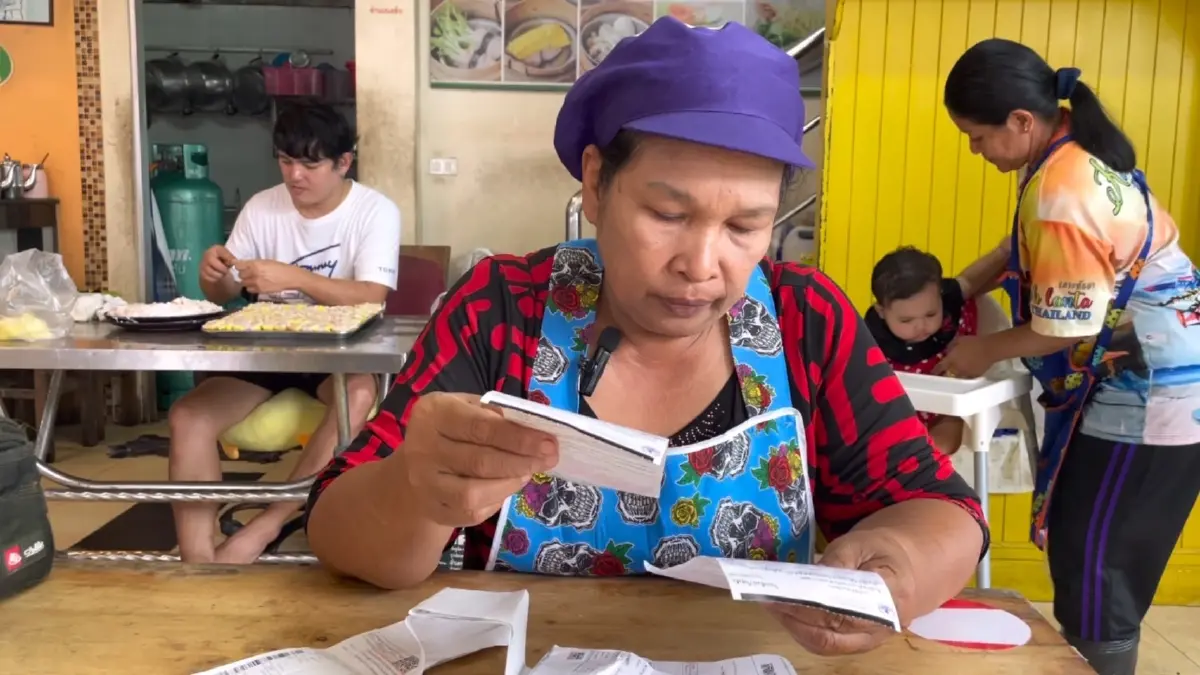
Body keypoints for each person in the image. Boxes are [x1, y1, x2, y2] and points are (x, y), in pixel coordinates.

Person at [306, 18, 988, 657]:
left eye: (745, 226)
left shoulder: (806, 321)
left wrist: (900, 566)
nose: (701, 264)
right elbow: (338, 529)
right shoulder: (501, 309)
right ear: (597, 183)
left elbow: (943, 507)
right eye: (667, 213)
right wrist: (415, 489)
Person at [940, 38, 1200, 675]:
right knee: (1090, 554)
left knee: (1097, 567)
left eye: (977, 137)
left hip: (1156, 396)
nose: (975, 151)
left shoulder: (1062, 191)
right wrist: (957, 289)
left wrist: (979, 349)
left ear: (1020, 121)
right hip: (1158, 377)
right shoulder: (1071, 153)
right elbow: (1020, 249)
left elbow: (1065, 325)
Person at [169, 102, 402, 565]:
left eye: (310, 165)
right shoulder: (262, 207)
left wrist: (294, 278)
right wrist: (213, 275)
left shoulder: (374, 211)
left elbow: (372, 296)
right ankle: (198, 561)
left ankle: (266, 526)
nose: (295, 175)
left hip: (338, 354)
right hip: (268, 349)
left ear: (343, 162)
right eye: (286, 160)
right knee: (187, 416)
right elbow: (223, 291)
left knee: (358, 394)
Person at [865, 244, 1007, 454]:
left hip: (945, 409)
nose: (921, 326)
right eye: (906, 320)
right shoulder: (871, 336)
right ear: (881, 312)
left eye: (931, 314)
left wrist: (1004, 252)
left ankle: (924, 459)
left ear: (940, 297)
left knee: (949, 428)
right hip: (896, 413)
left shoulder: (949, 305)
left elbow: (970, 282)